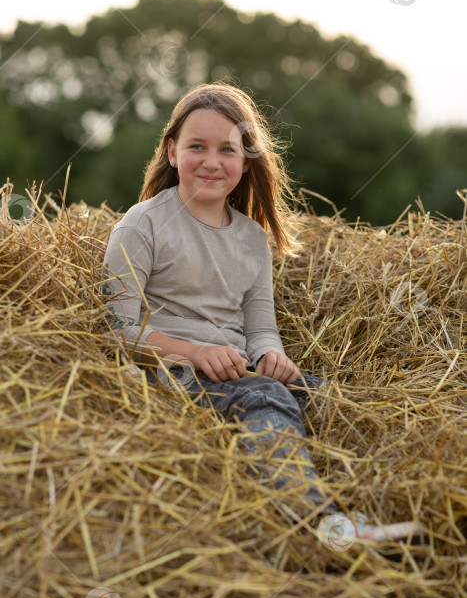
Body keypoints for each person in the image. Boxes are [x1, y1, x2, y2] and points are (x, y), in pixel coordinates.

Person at [99, 81, 419, 548]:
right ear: (171, 151)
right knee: (264, 398)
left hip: (237, 370)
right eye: (196, 147)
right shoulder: (143, 224)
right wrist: (195, 351)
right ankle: (320, 528)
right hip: (167, 375)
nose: (211, 161)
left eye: (226, 149)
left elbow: (261, 328)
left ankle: (407, 512)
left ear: (245, 160)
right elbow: (117, 330)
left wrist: (272, 355)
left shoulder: (252, 238)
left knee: (335, 403)